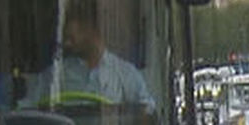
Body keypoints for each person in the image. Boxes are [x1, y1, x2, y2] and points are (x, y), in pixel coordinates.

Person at [26, 8, 156, 109]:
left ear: (89, 28)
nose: (66, 44)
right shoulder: (56, 73)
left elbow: (146, 112)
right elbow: (30, 105)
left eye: (71, 37)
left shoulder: (125, 73)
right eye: (65, 39)